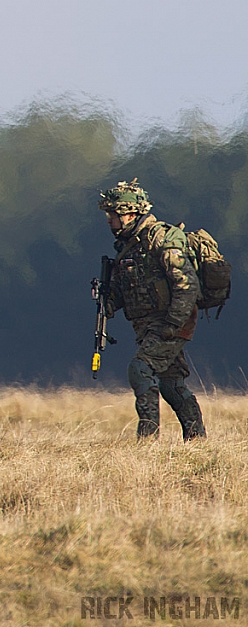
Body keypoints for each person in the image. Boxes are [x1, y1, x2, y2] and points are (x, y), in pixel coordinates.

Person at [98, 179, 206, 440]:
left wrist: (173, 324)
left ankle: (147, 438)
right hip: (148, 325)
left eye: (113, 214)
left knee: (140, 369)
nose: (109, 220)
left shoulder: (161, 238)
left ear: (130, 214)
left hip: (169, 321)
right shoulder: (128, 246)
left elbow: (186, 285)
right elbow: (125, 290)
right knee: (171, 384)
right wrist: (107, 300)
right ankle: (197, 441)